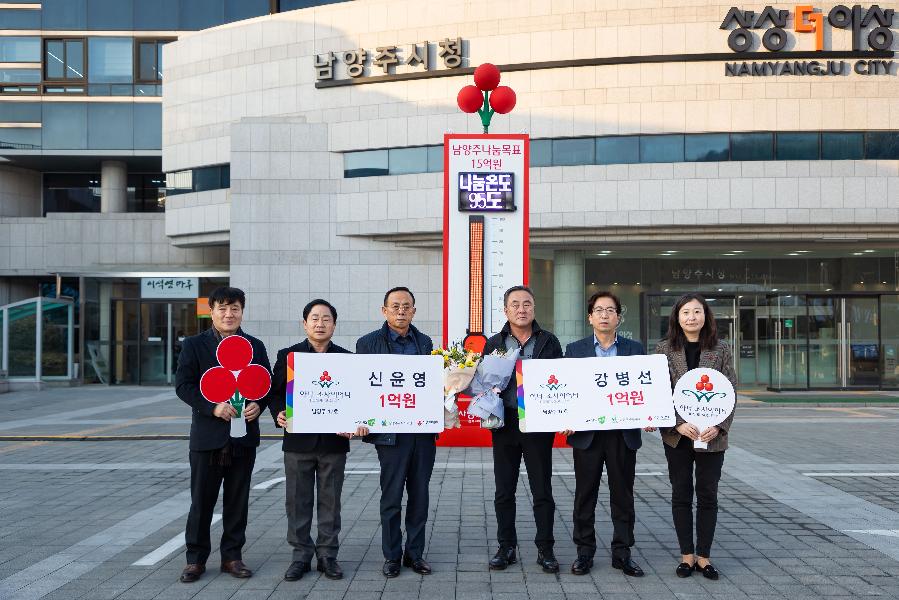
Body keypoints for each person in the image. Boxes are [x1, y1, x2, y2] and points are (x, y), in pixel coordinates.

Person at [175, 286, 271, 583]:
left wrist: (259, 405)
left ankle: (232, 557)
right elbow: (184, 385)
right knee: (201, 501)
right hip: (207, 437)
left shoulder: (255, 345)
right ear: (211, 311)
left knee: (237, 501)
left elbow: (265, 384)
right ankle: (195, 560)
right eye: (222, 308)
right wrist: (212, 408)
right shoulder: (194, 345)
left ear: (242, 311)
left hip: (243, 437)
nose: (229, 314)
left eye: (235, 309)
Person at [268, 299, 363, 582]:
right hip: (297, 441)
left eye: (326, 319)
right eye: (314, 318)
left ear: (334, 324)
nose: (320, 323)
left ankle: (327, 556)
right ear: (304, 323)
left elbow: (356, 396)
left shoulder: (346, 358)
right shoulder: (289, 356)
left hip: (334, 443)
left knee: (330, 502)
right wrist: (279, 412)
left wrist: (355, 421)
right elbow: (273, 393)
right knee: (297, 502)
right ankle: (300, 556)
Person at [562, 291, 646, 577]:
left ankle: (622, 553)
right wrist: (565, 417)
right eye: (599, 310)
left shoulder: (635, 350)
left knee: (623, 495)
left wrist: (649, 414)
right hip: (588, 434)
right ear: (590, 318)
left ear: (618, 317)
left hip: (622, 433)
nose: (604, 315)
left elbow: (645, 390)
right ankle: (584, 552)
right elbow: (566, 390)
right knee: (585, 495)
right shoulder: (575, 350)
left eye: (610, 310)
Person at [482, 285, 563, 573]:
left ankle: (546, 548)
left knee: (542, 489)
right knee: (504, 490)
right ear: (505, 310)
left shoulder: (549, 341)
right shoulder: (494, 343)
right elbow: (482, 383)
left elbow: (561, 381)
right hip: (505, 424)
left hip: (538, 425)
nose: (521, 309)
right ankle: (506, 547)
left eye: (526, 304)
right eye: (515, 304)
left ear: (534, 308)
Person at [355, 287, 435, 578]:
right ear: (384, 310)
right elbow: (361, 386)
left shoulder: (425, 342)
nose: (401, 311)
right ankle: (391, 555)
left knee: (419, 496)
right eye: (395, 306)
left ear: (414, 310)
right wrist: (360, 419)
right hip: (390, 436)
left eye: (407, 306)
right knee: (391, 498)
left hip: (422, 434)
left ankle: (415, 554)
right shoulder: (367, 344)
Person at [655, 293, 736, 581]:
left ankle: (704, 557)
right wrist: (676, 423)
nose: (692, 317)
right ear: (677, 317)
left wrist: (720, 425)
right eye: (686, 312)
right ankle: (686, 556)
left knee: (708, 494)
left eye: (697, 312)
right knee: (681, 494)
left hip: (711, 436)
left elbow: (730, 391)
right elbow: (659, 391)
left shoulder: (721, 349)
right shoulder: (664, 349)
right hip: (679, 437)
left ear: (706, 316)